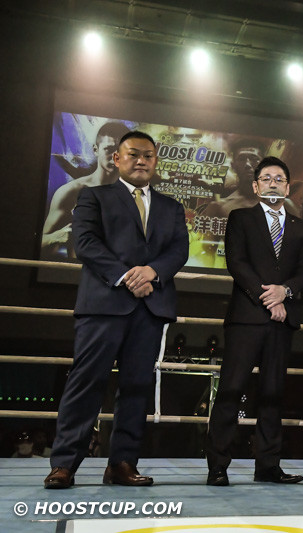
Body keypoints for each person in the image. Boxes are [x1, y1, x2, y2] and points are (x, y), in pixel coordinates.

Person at [43, 131, 189, 489]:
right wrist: (127, 276)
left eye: (148, 155)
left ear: (156, 162)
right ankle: (64, 464)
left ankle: (122, 463)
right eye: (133, 154)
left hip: (150, 307)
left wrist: (152, 272)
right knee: (86, 382)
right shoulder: (93, 196)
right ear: (117, 159)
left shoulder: (171, 206)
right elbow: (85, 242)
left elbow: (179, 250)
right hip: (103, 305)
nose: (141, 161)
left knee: (137, 386)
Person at [205, 156, 303, 486]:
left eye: (279, 179)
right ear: (255, 186)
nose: (273, 183)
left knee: (273, 394)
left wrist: (285, 292)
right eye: (266, 178)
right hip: (246, 318)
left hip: (282, 320)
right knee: (230, 390)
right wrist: (269, 298)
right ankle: (218, 466)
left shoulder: (300, 227)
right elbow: (237, 263)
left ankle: (268, 465)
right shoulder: (240, 218)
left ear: (288, 187)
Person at [42, 121, 130, 258]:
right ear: (96, 150)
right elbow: (39, 242)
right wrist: (55, 237)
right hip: (77, 270)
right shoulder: (71, 192)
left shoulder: (137, 196)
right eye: (109, 149)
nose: (116, 156)